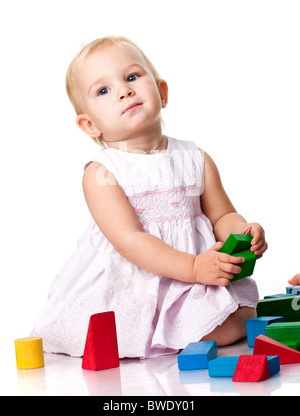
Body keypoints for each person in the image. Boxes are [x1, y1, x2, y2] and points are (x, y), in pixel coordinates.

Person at [31, 36, 268, 359]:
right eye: (103, 91)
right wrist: (195, 267)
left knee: (241, 318)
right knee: (208, 329)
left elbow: (222, 214)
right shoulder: (103, 173)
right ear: (89, 125)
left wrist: (240, 231)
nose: (124, 91)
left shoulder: (195, 158)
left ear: (162, 93)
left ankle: (195, 320)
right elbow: (130, 241)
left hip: (196, 278)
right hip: (138, 279)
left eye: (132, 77)